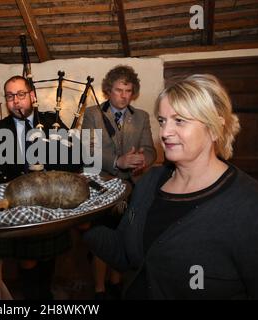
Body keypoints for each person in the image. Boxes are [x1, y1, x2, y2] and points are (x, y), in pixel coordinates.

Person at [83, 74, 258, 299]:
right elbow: (127, 254)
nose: (164, 133)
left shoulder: (251, 205)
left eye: (180, 120)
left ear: (214, 127)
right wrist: (84, 224)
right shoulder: (150, 182)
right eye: (162, 121)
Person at [0, 75, 80, 299]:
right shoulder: (0, 128)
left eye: (20, 94)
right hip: (20, 204)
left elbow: (76, 158)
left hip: (49, 202)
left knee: (48, 257)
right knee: (26, 261)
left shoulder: (52, 122)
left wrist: (48, 163)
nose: (16, 101)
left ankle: (45, 295)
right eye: (10, 96)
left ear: (32, 96)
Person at [81, 65, 157, 299]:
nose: (123, 95)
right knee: (103, 235)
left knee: (125, 235)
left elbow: (151, 149)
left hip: (132, 188)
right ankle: (99, 290)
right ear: (108, 90)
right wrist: (118, 161)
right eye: (118, 90)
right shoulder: (93, 114)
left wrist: (143, 159)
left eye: (128, 90)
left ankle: (115, 284)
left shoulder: (142, 116)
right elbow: (86, 151)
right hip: (101, 187)